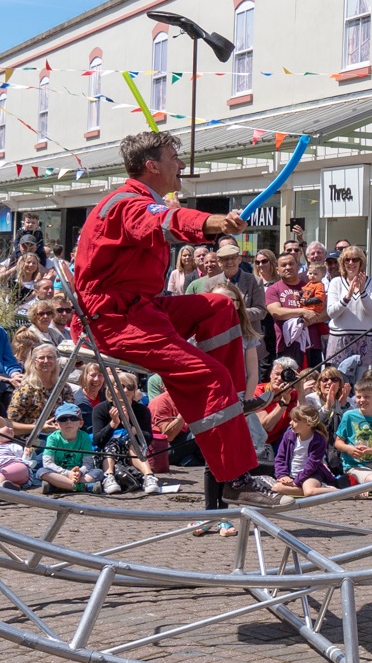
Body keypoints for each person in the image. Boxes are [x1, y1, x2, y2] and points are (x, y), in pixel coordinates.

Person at [70, 131, 266, 494]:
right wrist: (216, 223)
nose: (181, 165)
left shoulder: (135, 200)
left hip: (141, 310)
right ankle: (235, 477)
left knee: (221, 305)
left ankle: (233, 403)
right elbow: (167, 221)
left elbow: (167, 218)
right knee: (211, 376)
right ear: (151, 165)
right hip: (114, 321)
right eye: (174, 157)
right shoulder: (129, 204)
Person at [334, 369, 372, 489]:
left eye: (367, 397)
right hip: (354, 464)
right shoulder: (349, 416)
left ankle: (368, 483)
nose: (362, 400)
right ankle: (355, 479)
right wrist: (349, 449)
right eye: (359, 397)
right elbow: (338, 442)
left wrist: (370, 451)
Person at [324, 246, 372, 374]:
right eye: (347, 260)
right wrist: (347, 296)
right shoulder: (336, 282)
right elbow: (332, 313)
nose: (351, 263)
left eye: (355, 259)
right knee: (339, 379)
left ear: (361, 262)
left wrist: (362, 293)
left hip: (363, 338)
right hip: (340, 338)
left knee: (360, 383)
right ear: (342, 262)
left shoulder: (371, 282)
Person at [271, 403, 334, 499]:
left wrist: (296, 482)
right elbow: (280, 457)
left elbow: (312, 465)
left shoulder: (318, 440)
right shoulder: (288, 436)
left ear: (308, 424)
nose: (290, 423)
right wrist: (283, 475)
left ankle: (340, 492)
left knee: (309, 491)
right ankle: (316, 490)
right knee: (276, 488)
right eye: (291, 419)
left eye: (295, 421)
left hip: (310, 475)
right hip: (290, 476)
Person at [38, 402, 104, 494]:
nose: (68, 422)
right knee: (42, 472)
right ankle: (82, 487)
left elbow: (88, 462)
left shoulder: (84, 437)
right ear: (56, 425)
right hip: (59, 473)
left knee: (98, 472)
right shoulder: (52, 438)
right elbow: (47, 462)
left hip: (79, 474)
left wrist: (80, 472)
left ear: (80, 423)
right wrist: (67, 473)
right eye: (63, 419)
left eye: (73, 418)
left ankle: (59, 486)